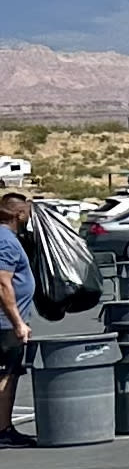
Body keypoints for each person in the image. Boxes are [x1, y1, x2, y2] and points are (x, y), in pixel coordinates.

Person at [0, 189, 35, 446]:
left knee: (9, 375)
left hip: (8, 322)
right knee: (6, 376)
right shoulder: (5, 240)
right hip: (4, 324)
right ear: (19, 214)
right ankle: (3, 430)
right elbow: (2, 284)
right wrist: (18, 323)